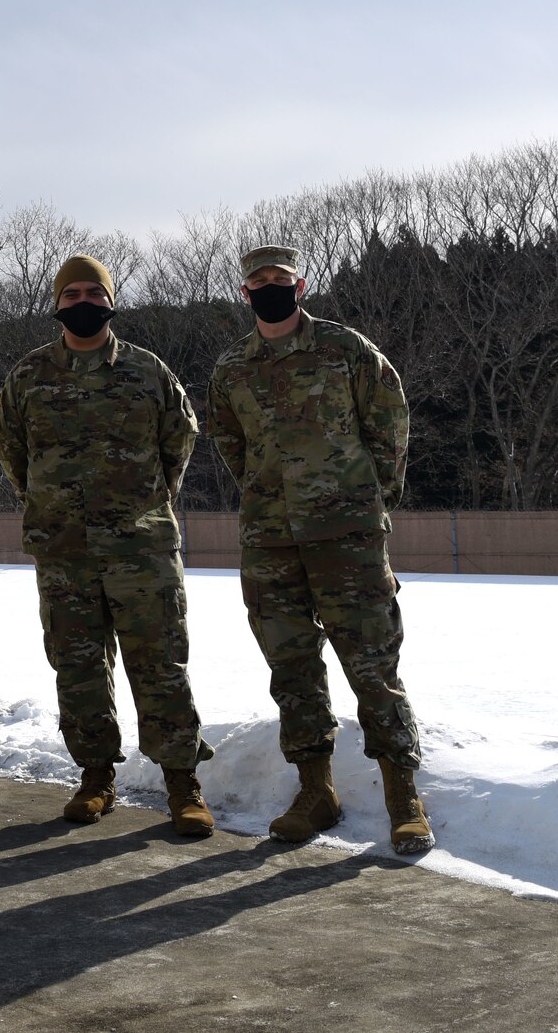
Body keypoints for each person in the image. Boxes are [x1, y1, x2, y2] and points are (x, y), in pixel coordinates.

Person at [208, 244, 433, 855]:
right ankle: (316, 791)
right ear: (245, 292)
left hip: (348, 535)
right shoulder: (232, 368)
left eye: (281, 278)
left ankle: (402, 796)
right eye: (260, 281)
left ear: (301, 285)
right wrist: (269, 497)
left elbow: (390, 423)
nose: (271, 287)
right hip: (270, 538)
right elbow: (233, 445)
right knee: (292, 669)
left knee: (372, 665)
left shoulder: (345, 348)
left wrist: (368, 499)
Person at [0, 254, 213, 836]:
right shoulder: (28, 377)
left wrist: (142, 505)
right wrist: (51, 506)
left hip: (140, 549)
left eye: (94, 291)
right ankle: (95, 777)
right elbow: (12, 450)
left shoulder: (147, 371)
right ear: (57, 304)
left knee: (161, 665)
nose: (83, 301)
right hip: (64, 552)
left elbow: (179, 442)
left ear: (110, 300)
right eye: (72, 294)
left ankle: (182, 784)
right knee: (78, 667)